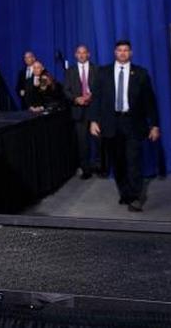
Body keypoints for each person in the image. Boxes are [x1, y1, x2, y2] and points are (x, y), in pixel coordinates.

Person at [89, 41, 160, 212]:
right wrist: (93, 121)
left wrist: (155, 125)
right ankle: (125, 193)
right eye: (119, 50)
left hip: (133, 123)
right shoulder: (103, 72)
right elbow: (96, 99)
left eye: (126, 50)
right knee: (118, 162)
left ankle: (135, 197)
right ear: (114, 52)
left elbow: (150, 102)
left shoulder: (141, 73)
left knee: (133, 161)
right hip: (111, 124)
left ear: (131, 53)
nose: (122, 53)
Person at [63, 45, 103, 179]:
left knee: (99, 140)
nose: (81, 55)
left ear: (88, 54)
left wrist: (92, 96)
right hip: (78, 111)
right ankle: (86, 169)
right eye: (78, 53)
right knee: (82, 142)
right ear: (75, 55)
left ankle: (99, 166)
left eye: (84, 52)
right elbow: (66, 90)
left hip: (95, 110)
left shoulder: (96, 69)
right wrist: (76, 99)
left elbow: (101, 88)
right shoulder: (70, 71)